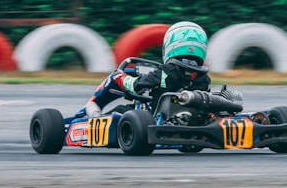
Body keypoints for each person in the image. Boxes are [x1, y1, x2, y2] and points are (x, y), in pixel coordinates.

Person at [80, 21, 211, 117]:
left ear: (171, 45)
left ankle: (93, 115)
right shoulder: (204, 78)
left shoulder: (166, 71)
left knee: (120, 111)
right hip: (191, 118)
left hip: (157, 118)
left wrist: (122, 78)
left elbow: (137, 86)